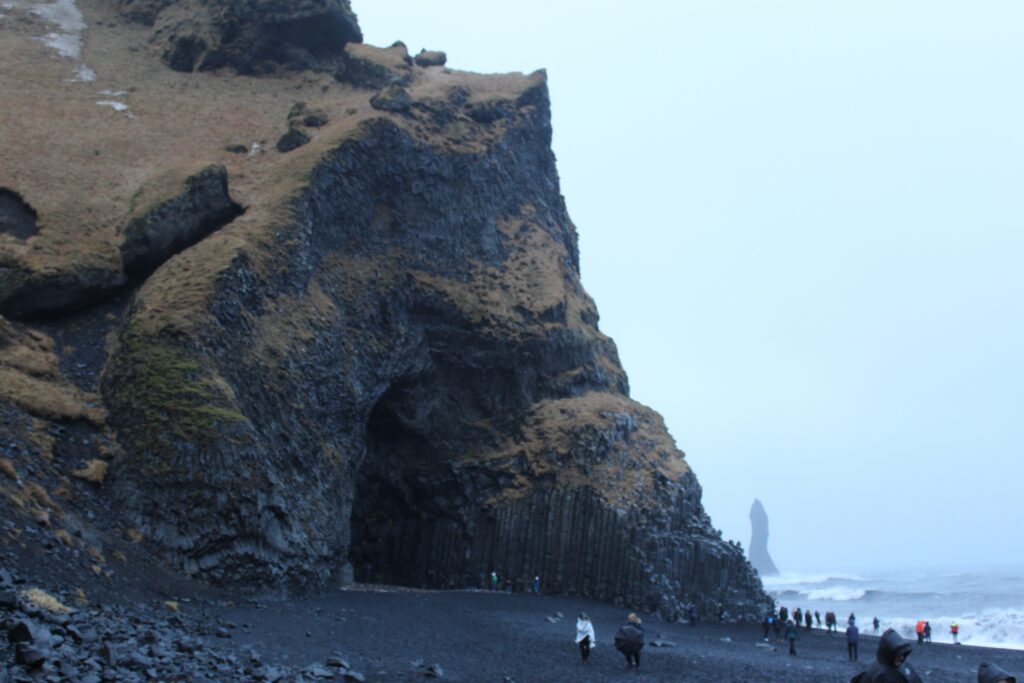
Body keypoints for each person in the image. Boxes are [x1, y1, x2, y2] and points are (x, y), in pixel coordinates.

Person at [850, 628, 924, 683]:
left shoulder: (905, 666)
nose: (901, 657)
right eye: (898, 655)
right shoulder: (874, 673)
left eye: (902, 654)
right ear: (889, 652)